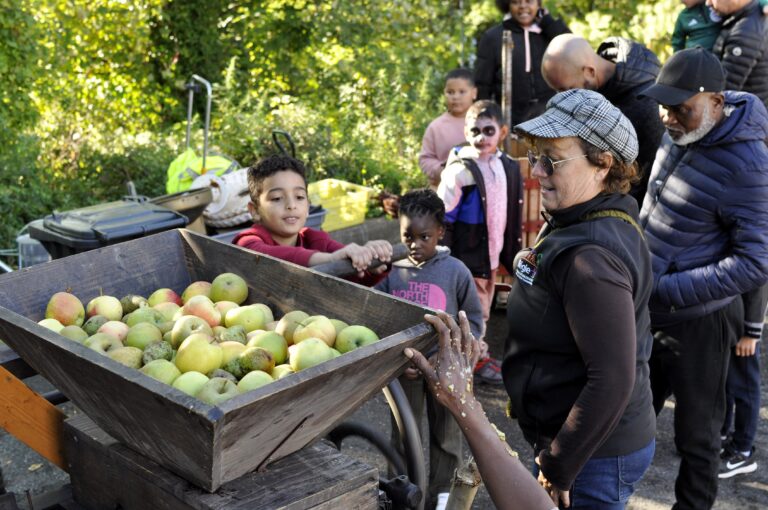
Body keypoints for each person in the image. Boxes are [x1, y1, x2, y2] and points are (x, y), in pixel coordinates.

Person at [414, 88, 658, 509]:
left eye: (553, 160)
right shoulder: (581, 216)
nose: (538, 171)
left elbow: (612, 378)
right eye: (536, 156)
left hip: (592, 456)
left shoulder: (592, 257)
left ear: (603, 163)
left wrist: (560, 465)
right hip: (575, 442)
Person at [637, 47, 768, 509]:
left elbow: (755, 261)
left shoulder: (749, 163)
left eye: (681, 108)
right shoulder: (680, 132)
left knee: (697, 437)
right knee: (625, 419)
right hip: (649, 309)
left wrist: (668, 289)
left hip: (701, 322)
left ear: (715, 101)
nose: (668, 117)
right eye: (664, 106)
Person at [375, 188, 484, 510]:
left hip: (445, 370)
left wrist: (455, 352)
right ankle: (400, 493)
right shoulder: (394, 272)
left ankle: (442, 496)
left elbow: (473, 320)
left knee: (447, 434)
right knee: (403, 433)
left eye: (424, 237)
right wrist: (395, 358)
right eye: (407, 236)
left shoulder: (456, 271)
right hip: (405, 369)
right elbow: (376, 315)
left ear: (440, 232)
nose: (415, 244)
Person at [437, 100, 523, 385]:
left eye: (488, 131)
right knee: (474, 310)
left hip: (492, 255)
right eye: (475, 131)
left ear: (503, 132)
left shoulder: (507, 166)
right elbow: (443, 217)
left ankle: (472, 355)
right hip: (468, 255)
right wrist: (444, 256)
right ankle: (476, 358)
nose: (481, 137)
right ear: (466, 131)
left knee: (482, 306)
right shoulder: (460, 171)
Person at [541, 34, 664, 206]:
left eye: (567, 89)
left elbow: (646, 180)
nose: (562, 98)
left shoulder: (647, 106)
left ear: (590, 72)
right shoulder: (593, 89)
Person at [233, 154, 392, 282]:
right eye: (277, 198)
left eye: (299, 197)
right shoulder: (248, 241)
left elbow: (356, 274)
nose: (291, 205)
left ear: (308, 206)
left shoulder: (317, 240)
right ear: (255, 211)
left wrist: (370, 260)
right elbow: (266, 256)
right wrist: (330, 259)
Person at [474, 0, 570, 126]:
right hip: (509, 119)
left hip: (550, 115)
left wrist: (548, 22)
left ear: (539, 4)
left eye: (529, 1)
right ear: (507, 5)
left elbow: (573, 48)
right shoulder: (493, 37)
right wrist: (487, 117)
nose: (523, 6)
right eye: (516, 2)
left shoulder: (550, 32)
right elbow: (482, 84)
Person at [719, 286, 767, 479]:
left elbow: (760, 284)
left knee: (745, 386)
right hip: (728, 317)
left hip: (743, 324)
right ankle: (721, 434)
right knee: (725, 381)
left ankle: (742, 450)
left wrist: (752, 332)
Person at [419, 69, 477, 189]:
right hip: (444, 189)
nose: (455, 97)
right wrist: (441, 171)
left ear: (474, 93)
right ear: (444, 93)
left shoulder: (484, 123)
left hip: (480, 189)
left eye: (462, 92)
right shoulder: (436, 127)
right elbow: (425, 158)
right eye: (450, 92)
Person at [708, 0, 768, 106]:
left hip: (745, 112)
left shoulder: (746, 32)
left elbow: (723, 90)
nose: (708, 3)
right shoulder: (745, 16)